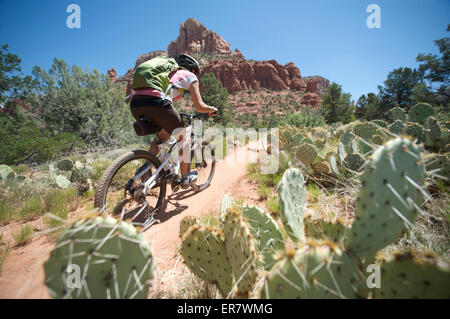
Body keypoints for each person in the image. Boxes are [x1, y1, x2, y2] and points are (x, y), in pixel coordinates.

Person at [128, 53, 218, 188]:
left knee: (161, 138)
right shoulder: (189, 76)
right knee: (183, 136)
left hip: (136, 104)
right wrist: (211, 109)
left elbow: (168, 105)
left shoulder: (165, 75)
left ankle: (145, 168)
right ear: (192, 70)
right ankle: (185, 176)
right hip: (157, 103)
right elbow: (199, 106)